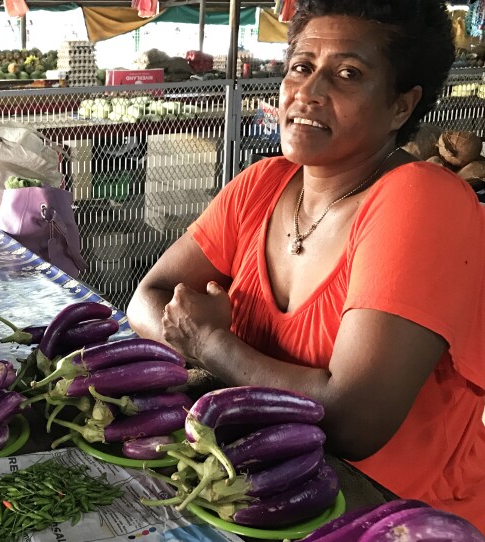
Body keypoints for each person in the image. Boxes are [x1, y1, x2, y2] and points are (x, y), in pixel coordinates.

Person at [127, 0, 485, 530]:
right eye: (301, 66)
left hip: (387, 516)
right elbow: (148, 296)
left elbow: (351, 420)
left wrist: (211, 346)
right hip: (247, 487)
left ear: (401, 107)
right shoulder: (261, 185)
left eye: (347, 74)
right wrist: (206, 342)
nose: (309, 92)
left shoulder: (423, 199)